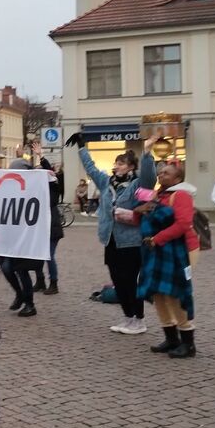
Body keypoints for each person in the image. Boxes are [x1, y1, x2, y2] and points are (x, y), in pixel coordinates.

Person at [67, 132, 157, 335]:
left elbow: (150, 178)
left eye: (121, 163)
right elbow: (91, 168)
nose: (116, 166)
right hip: (111, 239)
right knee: (118, 281)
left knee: (130, 281)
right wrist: (82, 147)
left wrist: (147, 152)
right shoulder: (107, 182)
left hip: (131, 241)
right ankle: (128, 317)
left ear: (131, 167)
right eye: (116, 163)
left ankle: (139, 320)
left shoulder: (137, 184)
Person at [136, 162, 199, 358]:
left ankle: (188, 343)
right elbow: (145, 218)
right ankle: (171, 338)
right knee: (158, 293)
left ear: (177, 178)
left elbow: (183, 224)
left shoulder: (181, 195)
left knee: (174, 293)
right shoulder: (157, 195)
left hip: (178, 249)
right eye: (160, 172)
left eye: (166, 173)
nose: (161, 175)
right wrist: (139, 211)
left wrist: (157, 239)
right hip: (156, 249)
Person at [0, 157, 42, 318]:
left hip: (26, 237)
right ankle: (20, 294)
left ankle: (29, 304)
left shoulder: (34, 188)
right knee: (6, 267)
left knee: (22, 270)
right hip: (11, 237)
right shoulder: (9, 187)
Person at [36, 145, 63, 295]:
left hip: (52, 227)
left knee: (48, 255)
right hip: (42, 227)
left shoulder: (53, 188)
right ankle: (40, 281)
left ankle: (54, 283)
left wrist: (41, 157)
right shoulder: (39, 191)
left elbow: (50, 173)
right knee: (38, 255)